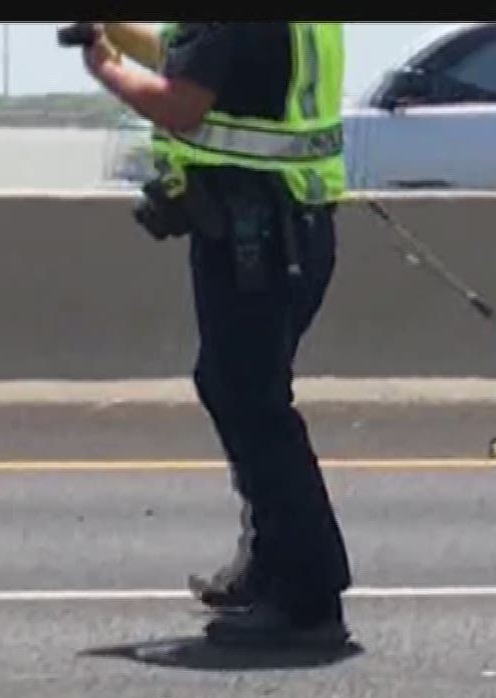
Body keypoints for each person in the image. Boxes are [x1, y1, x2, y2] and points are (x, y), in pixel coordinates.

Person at [83, 23, 353, 648]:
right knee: (239, 391)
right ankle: (272, 563)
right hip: (293, 226)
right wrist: (117, 33)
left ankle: (310, 597)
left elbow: (182, 103)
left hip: (254, 233)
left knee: (252, 403)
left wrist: (105, 66)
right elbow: (202, 62)